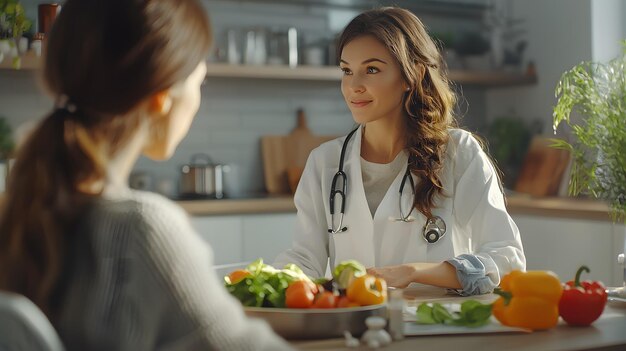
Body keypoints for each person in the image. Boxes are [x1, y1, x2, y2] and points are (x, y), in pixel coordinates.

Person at [0, 0, 292, 350]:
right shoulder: (140, 230)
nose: (198, 98)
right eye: (199, 82)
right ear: (161, 98)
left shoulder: (18, 208)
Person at [274, 7, 525, 296]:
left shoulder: (459, 154)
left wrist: (416, 272)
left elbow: (506, 259)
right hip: (357, 331)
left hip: (437, 331)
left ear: (411, 75)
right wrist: (264, 282)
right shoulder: (324, 162)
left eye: (372, 69)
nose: (353, 86)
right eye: (346, 70)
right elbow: (305, 259)